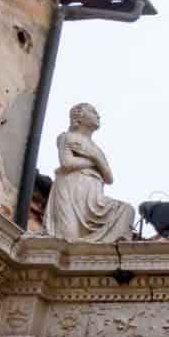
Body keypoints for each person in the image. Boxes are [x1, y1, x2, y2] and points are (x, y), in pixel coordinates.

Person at [46, 102, 135, 241]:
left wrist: (95, 157)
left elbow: (109, 178)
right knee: (68, 237)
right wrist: (95, 161)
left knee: (126, 210)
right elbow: (67, 163)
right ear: (79, 117)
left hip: (94, 192)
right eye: (93, 111)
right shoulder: (67, 137)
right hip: (71, 187)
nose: (98, 115)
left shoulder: (96, 149)